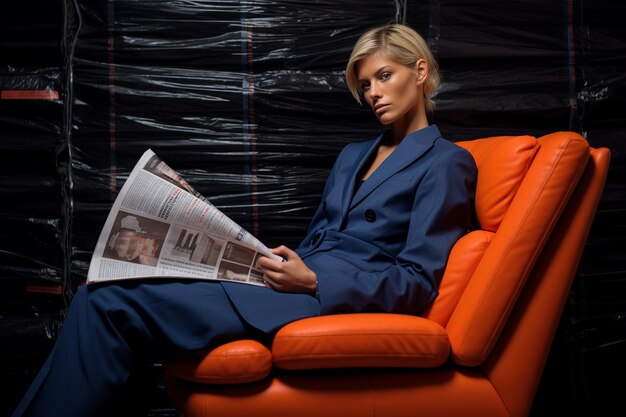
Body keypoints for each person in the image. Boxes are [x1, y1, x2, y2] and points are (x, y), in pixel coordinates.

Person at [12, 23, 477, 417]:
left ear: (419, 72)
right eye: (366, 85)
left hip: (322, 297)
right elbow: (319, 237)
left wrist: (314, 283)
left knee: (105, 305)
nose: (374, 93)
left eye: (384, 76)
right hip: (279, 278)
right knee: (97, 293)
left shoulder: (445, 163)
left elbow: (417, 280)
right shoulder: (354, 155)